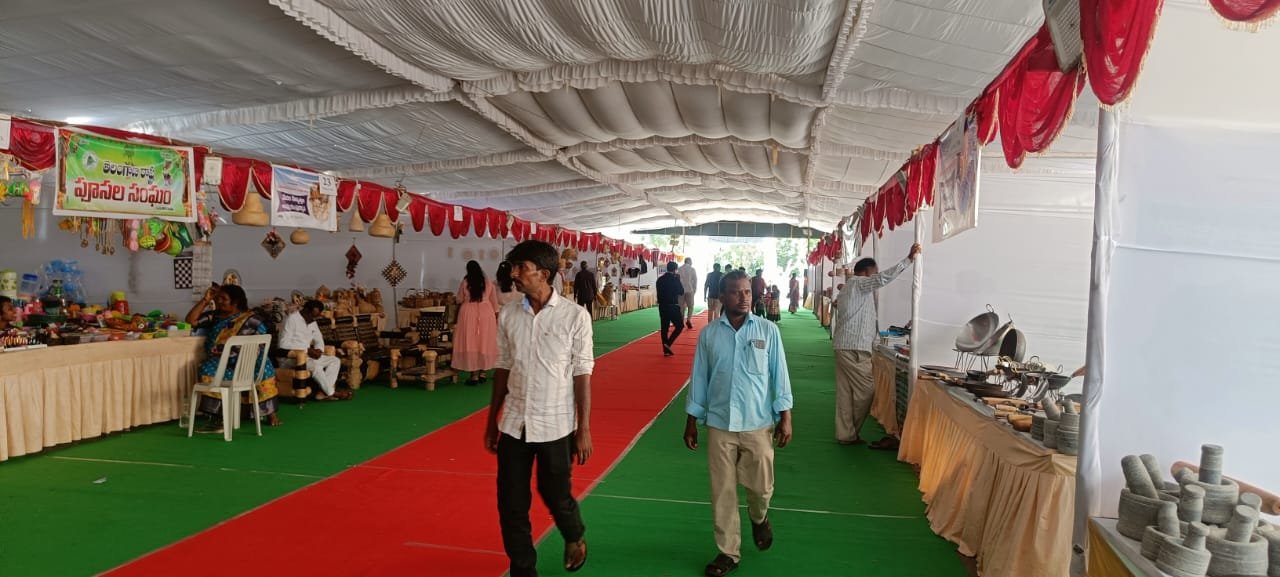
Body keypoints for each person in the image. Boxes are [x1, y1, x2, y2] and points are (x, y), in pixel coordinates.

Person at [484, 240, 593, 577]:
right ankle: (523, 569)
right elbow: (503, 368)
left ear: (544, 274)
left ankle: (573, 534)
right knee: (511, 503)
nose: (514, 274)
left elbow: (582, 373)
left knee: (555, 493)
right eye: (513, 267)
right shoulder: (508, 314)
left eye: (522, 268)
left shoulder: (575, 316)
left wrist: (583, 429)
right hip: (514, 424)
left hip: (556, 424)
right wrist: (492, 421)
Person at [683, 270, 793, 577]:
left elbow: (780, 375)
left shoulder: (768, 331)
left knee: (761, 488)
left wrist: (785, 416)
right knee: (722, 491)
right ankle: (728, 552)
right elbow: (699, 378)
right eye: (736, 292)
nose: (744, 297)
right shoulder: (709, 334)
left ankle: (759, 517)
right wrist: (692, 420)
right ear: (722, 296)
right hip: (719, 424)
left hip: (758, 423)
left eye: (747, 291)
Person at [831, 243, 921, 448]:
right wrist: (908, 260)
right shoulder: (860, 283)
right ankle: (849, 432)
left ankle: (846, 434)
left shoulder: (849, 288)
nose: (876, 275)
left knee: (846, 393)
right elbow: (882, 279)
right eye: (874, 271)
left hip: (845, 344)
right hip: (854, 346)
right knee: (867, 391)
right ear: (866, 272)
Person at [185, 284, 281, 427]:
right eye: (218, 298)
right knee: (206, 370)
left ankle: (270, 413)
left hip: (246, 363)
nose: (219, 301)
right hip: (221, 361)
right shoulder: (215, 316)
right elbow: (190, 321)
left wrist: (240, 354)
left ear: (235, 302)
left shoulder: (252, 319)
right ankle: (220, 414)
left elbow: (260, 342)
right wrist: (205, 300)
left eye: (224, 299)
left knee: (264, 363)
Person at [278, 300, 350, 401]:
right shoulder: (291, 319)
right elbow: (283, 344)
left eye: (316, 316)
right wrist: (307, 350)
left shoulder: (312, 321)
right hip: (291, 357)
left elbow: (319, 339)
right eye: (312, 315)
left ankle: (323, 392)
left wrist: (319, 350)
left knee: (335, 360)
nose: (313, 319)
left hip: (308, 356)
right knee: (316, 366)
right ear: (306, 310)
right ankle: (332, 393)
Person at [454, 260, 500, 386]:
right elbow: (494, 302)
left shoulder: (466, 282)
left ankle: (473, 375)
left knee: (471, 342)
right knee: (485, 342)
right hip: (486, 313)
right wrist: (496, 316)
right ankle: (483, 373)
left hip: (468, 312)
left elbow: (459, 299)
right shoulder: (488, 282)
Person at [656, 261, 685, 356]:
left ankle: (666, 350)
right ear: (675, 270)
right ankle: (668, 344)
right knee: (680, 326)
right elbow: (681, 292)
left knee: (664, 328)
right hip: (673, 306)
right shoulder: (675, 279)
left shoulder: (660, 279)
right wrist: (678, 280)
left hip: (662, 306)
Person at [678, 257, 698, 329]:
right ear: (689, 261)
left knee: (681, 307)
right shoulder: (692, 269)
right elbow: (695, 280)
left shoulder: (679, 269)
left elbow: (677, 280)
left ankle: (681, 321)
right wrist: (694, 290)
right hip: (690, 290)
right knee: (690, 306)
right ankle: (688, 320)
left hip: (681, 291)